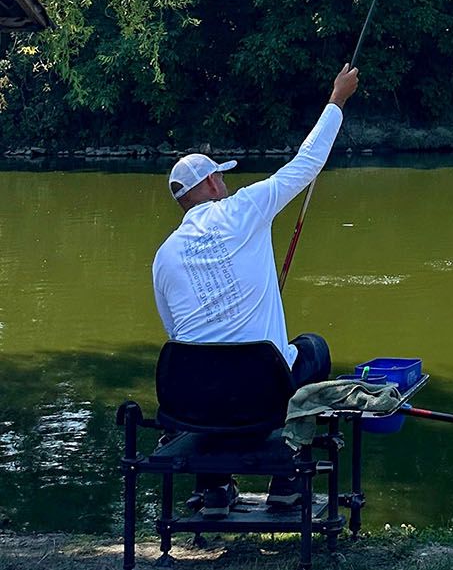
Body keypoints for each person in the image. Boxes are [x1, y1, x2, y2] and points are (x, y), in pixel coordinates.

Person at [152, 62, 359, 514]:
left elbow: (179, 334)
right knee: (313, 348)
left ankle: (213, 488)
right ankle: (285, 481)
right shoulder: (244, 208)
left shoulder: (164, 255)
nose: (226, 184)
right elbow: (305, 163)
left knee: (206, 364)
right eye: (221, 177)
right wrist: (336, 100)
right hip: (263, 399)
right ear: (210, 183)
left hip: (195, 406)